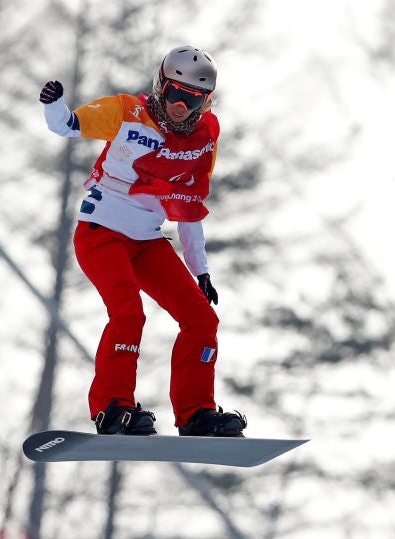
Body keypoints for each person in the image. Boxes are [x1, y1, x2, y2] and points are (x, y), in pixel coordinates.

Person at [40, 45, 246, 438]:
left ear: (205, 101)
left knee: (202, 318)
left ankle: (196, 413)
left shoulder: (203, 140)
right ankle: (112, 408)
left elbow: (188, 207)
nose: (180, 106)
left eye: (192, 98)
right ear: (160, 86)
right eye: (174, 93)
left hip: (148, 242)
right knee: (129, 313)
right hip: (102, 233)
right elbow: (66, 125)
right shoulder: (129, 113)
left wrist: (200, 271)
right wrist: (55, 104)